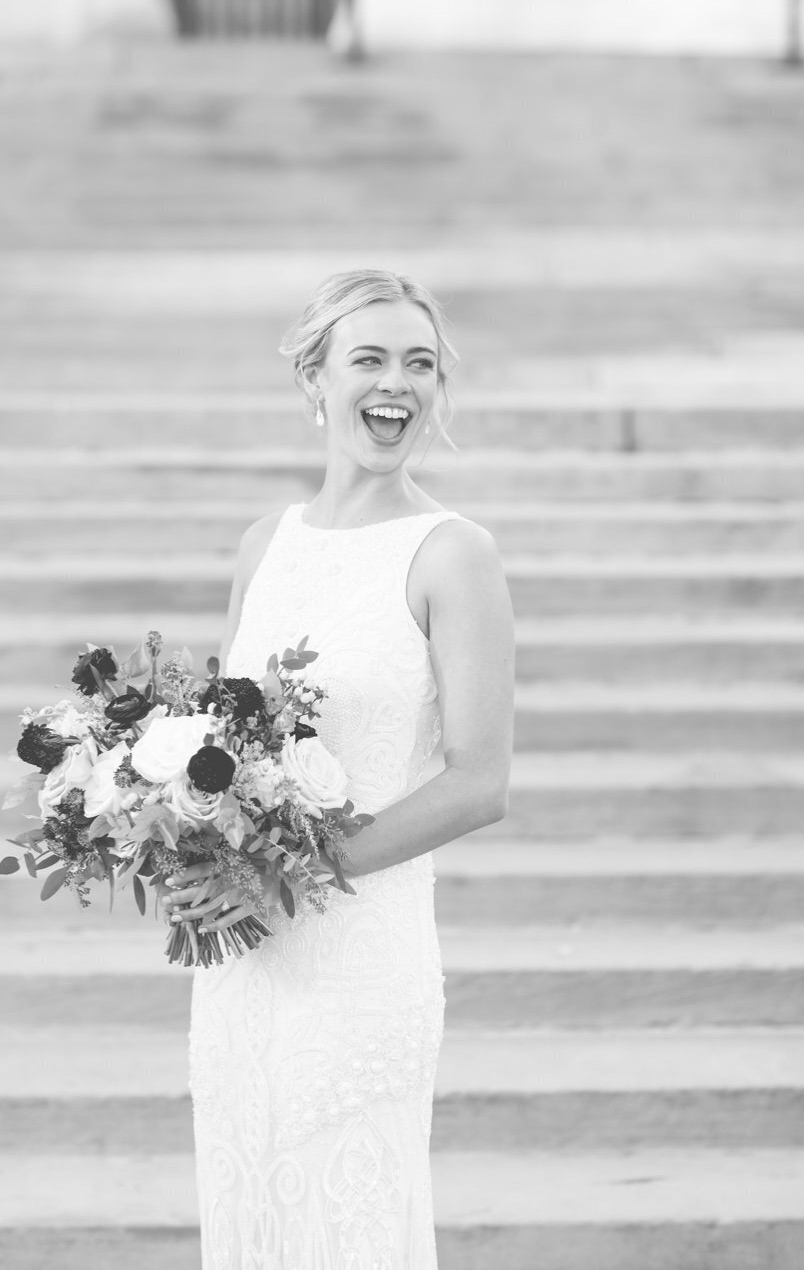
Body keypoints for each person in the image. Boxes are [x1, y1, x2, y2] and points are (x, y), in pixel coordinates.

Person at [160, 268, 514, 1267]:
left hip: (363, 956)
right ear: (314, 380)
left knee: (351, 1225)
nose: (395, 381)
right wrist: (186, 837)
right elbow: (215, 747)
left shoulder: (453, 555)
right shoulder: (263, 544)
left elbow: (479, 780)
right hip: (246, 963)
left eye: (420, 363)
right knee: (251, 1213)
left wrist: (286, 872)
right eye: (369, 358)